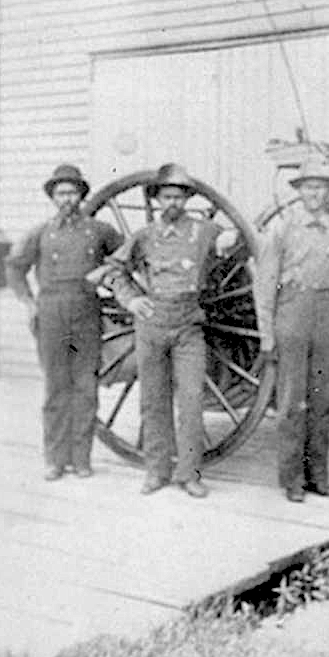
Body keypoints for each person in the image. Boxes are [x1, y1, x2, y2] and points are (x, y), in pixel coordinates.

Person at [255, 154, 329, 503]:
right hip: (292, 311)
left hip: (326, 312)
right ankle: (292, 480)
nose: (314, 193)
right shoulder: (282, 228)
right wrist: (267, 334)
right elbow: (265, 282)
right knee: (291, 400)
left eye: (320, 187)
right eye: (308, 187)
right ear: (300, 191)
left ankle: (319, 475)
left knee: (323, 398)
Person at [107, 163, 218, 498]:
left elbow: (234, 242)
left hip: (188, 326)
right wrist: (131, 300)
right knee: (153, 401)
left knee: (192, 400)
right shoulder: (143, 237)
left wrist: (230, 243)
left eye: (179, 197)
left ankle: (189, 474)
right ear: (156, 200)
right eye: (167, 196)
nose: (173, 203)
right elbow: (114, 270)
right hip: (152, 324)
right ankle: (156, 472)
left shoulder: (204, 231)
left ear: (186, 200)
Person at [5, 164, 123, 480]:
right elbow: (14, 267)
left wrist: (107, 273)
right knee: (56, 388)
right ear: (53, 197)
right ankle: (55, 459)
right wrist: (28, 303)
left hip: (86, 311)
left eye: (72, 192)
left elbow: (125, 255)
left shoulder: (99, 231)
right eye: (61, 193)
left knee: (85, 386)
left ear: (81, 195)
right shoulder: (40, 233)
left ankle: (81, 459)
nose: (67, 198)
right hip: (51, 313)